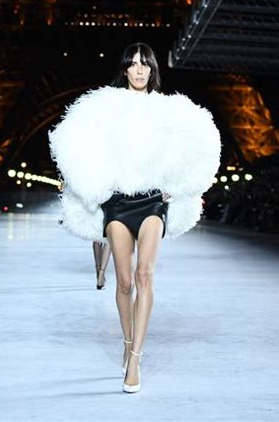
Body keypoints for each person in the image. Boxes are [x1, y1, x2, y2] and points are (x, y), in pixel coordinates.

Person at [48, 42, 221, 393]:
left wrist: (182, 185)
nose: (140, 70)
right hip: (117, 203)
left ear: (153, 69)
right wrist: (95, 185)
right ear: (125, 69)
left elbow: (199, 143)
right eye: (133, 64)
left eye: (146, 64)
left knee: (145, 275)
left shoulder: (169, 110)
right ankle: (127, 343)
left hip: (153, 202)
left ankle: (137, 358)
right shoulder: (105, 106)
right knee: (124, 282)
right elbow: (76, 141)